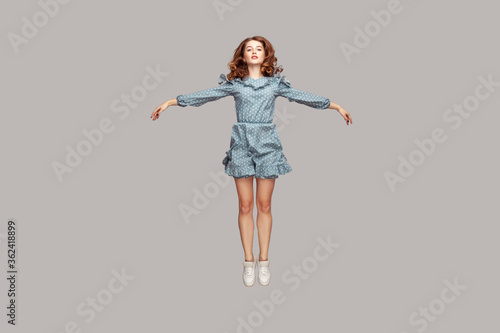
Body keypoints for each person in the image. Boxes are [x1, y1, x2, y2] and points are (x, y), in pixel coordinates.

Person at [151, 36, 352, 287]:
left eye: (259, 49)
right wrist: (172, 102)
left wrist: (335, 107)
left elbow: (303, 96)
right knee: (245, 205)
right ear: (243, 56)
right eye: (249, 49)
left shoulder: (275, 85)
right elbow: (205, 95)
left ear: (266, 55)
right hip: (242, 145)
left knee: (264, 204)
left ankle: (264, 261)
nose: (254, 52)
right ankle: (248, 262)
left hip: (267, 144)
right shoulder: (235, 85)